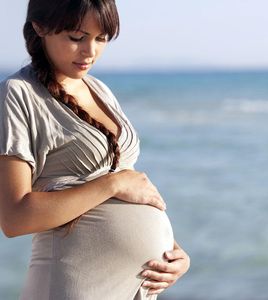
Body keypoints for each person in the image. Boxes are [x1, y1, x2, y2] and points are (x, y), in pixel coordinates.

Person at [0, 0, 190, 299]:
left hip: (137, 286)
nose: (90, 52)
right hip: (74, 284)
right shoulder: (19, 94)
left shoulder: (99, 90)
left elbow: (129, 191)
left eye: (101, 39)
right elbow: (14, 218)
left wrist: (173, 252)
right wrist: (112, 184)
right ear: (40, 27)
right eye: (77, 37)